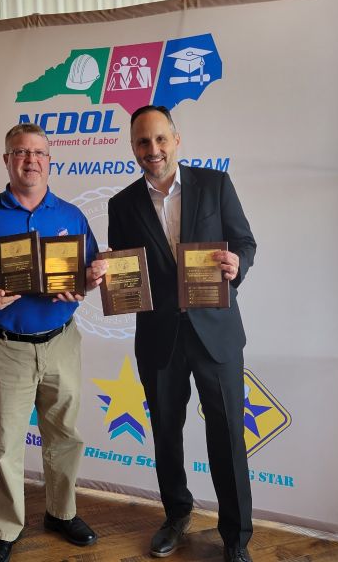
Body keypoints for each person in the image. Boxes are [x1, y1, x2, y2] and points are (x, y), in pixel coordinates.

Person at [0, 123, 108, 562]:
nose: (30, 160)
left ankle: (61, 512)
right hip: (6, 346)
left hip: (61, 343)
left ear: (49, 161)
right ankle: (6, 529)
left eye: (38, 153)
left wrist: (88, 282)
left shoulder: (71, 215)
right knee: (6, 443)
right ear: (7, 160)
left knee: (65, 435)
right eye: (20, 152)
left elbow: (89, 271)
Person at [107, 105, 257, 562]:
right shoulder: (121, 204)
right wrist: (108, 276)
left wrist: (237, 264)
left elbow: (244, 241)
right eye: (142, 142)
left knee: (227, 436)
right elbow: (126, 270)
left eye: (160, 139)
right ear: (133, 148)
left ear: (176, 140)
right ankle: (176, 515)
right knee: (167, 434)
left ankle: (235, 538)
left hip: (216, 334)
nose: (152, 149)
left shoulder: (215, 185)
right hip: (159, 338)